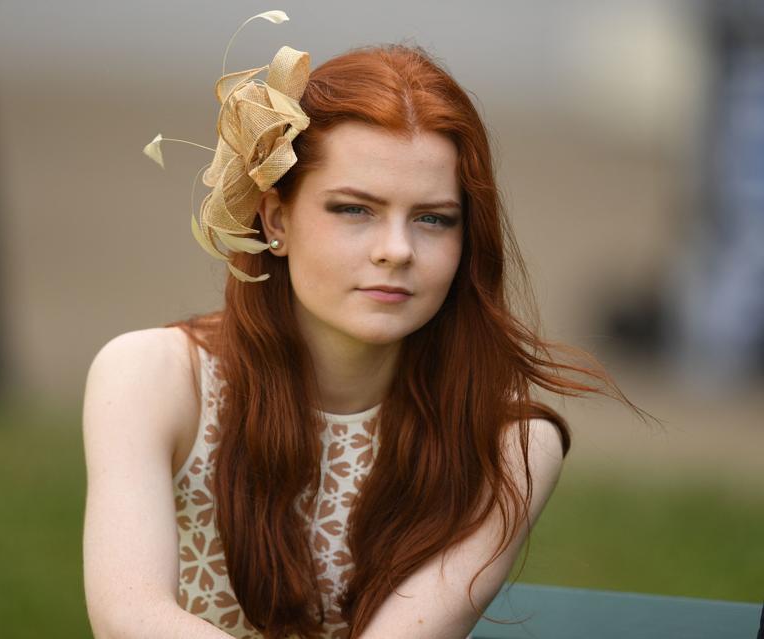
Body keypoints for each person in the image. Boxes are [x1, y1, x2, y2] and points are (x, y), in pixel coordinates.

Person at [82, 13, 632, 639]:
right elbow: (129, 617)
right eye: (355, 210)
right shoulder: (150, 377)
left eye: (433, 219)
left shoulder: (509, 442)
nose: (396, 249)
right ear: (274, 221)